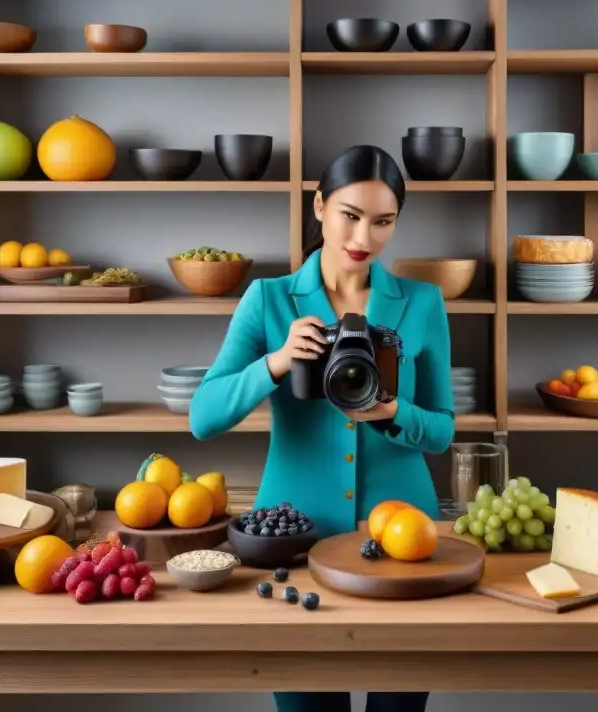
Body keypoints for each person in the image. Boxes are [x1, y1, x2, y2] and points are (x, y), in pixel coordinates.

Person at [189, 144, 455, 712]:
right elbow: (203, 417)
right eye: (350, 215)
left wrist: (392, 414)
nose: (365, 237)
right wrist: (277, 363)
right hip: (292, 539)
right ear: (318, 206)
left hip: (405, 540)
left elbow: (442, 431)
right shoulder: (267, 300)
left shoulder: (424, 303)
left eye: (383, 222)